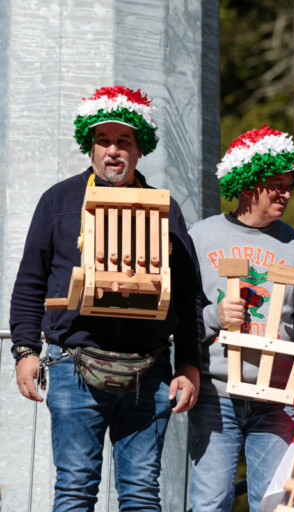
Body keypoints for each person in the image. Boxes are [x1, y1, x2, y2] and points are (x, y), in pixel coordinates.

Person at [9, 85, 201, 510]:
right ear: (90, 147)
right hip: (72, 366)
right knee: (76, 488)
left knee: (140, 492)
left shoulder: (164, 208)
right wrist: (25, 350)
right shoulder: (58, 201)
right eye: (104, 141)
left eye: (124, 141)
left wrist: (188, 363)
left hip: (148, 372)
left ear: (139, 149)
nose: (114, 151)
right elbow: (30, 283)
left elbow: (187, 297)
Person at [187, 125, 294, 511]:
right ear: (248, 184)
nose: (286, 193)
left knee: (275, 505)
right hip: (215, 395)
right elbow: (177, 319)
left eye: (288, 185)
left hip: (278, 400)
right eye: (276, 184)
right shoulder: (201, 237)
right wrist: (214, 315)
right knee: (209, 504)